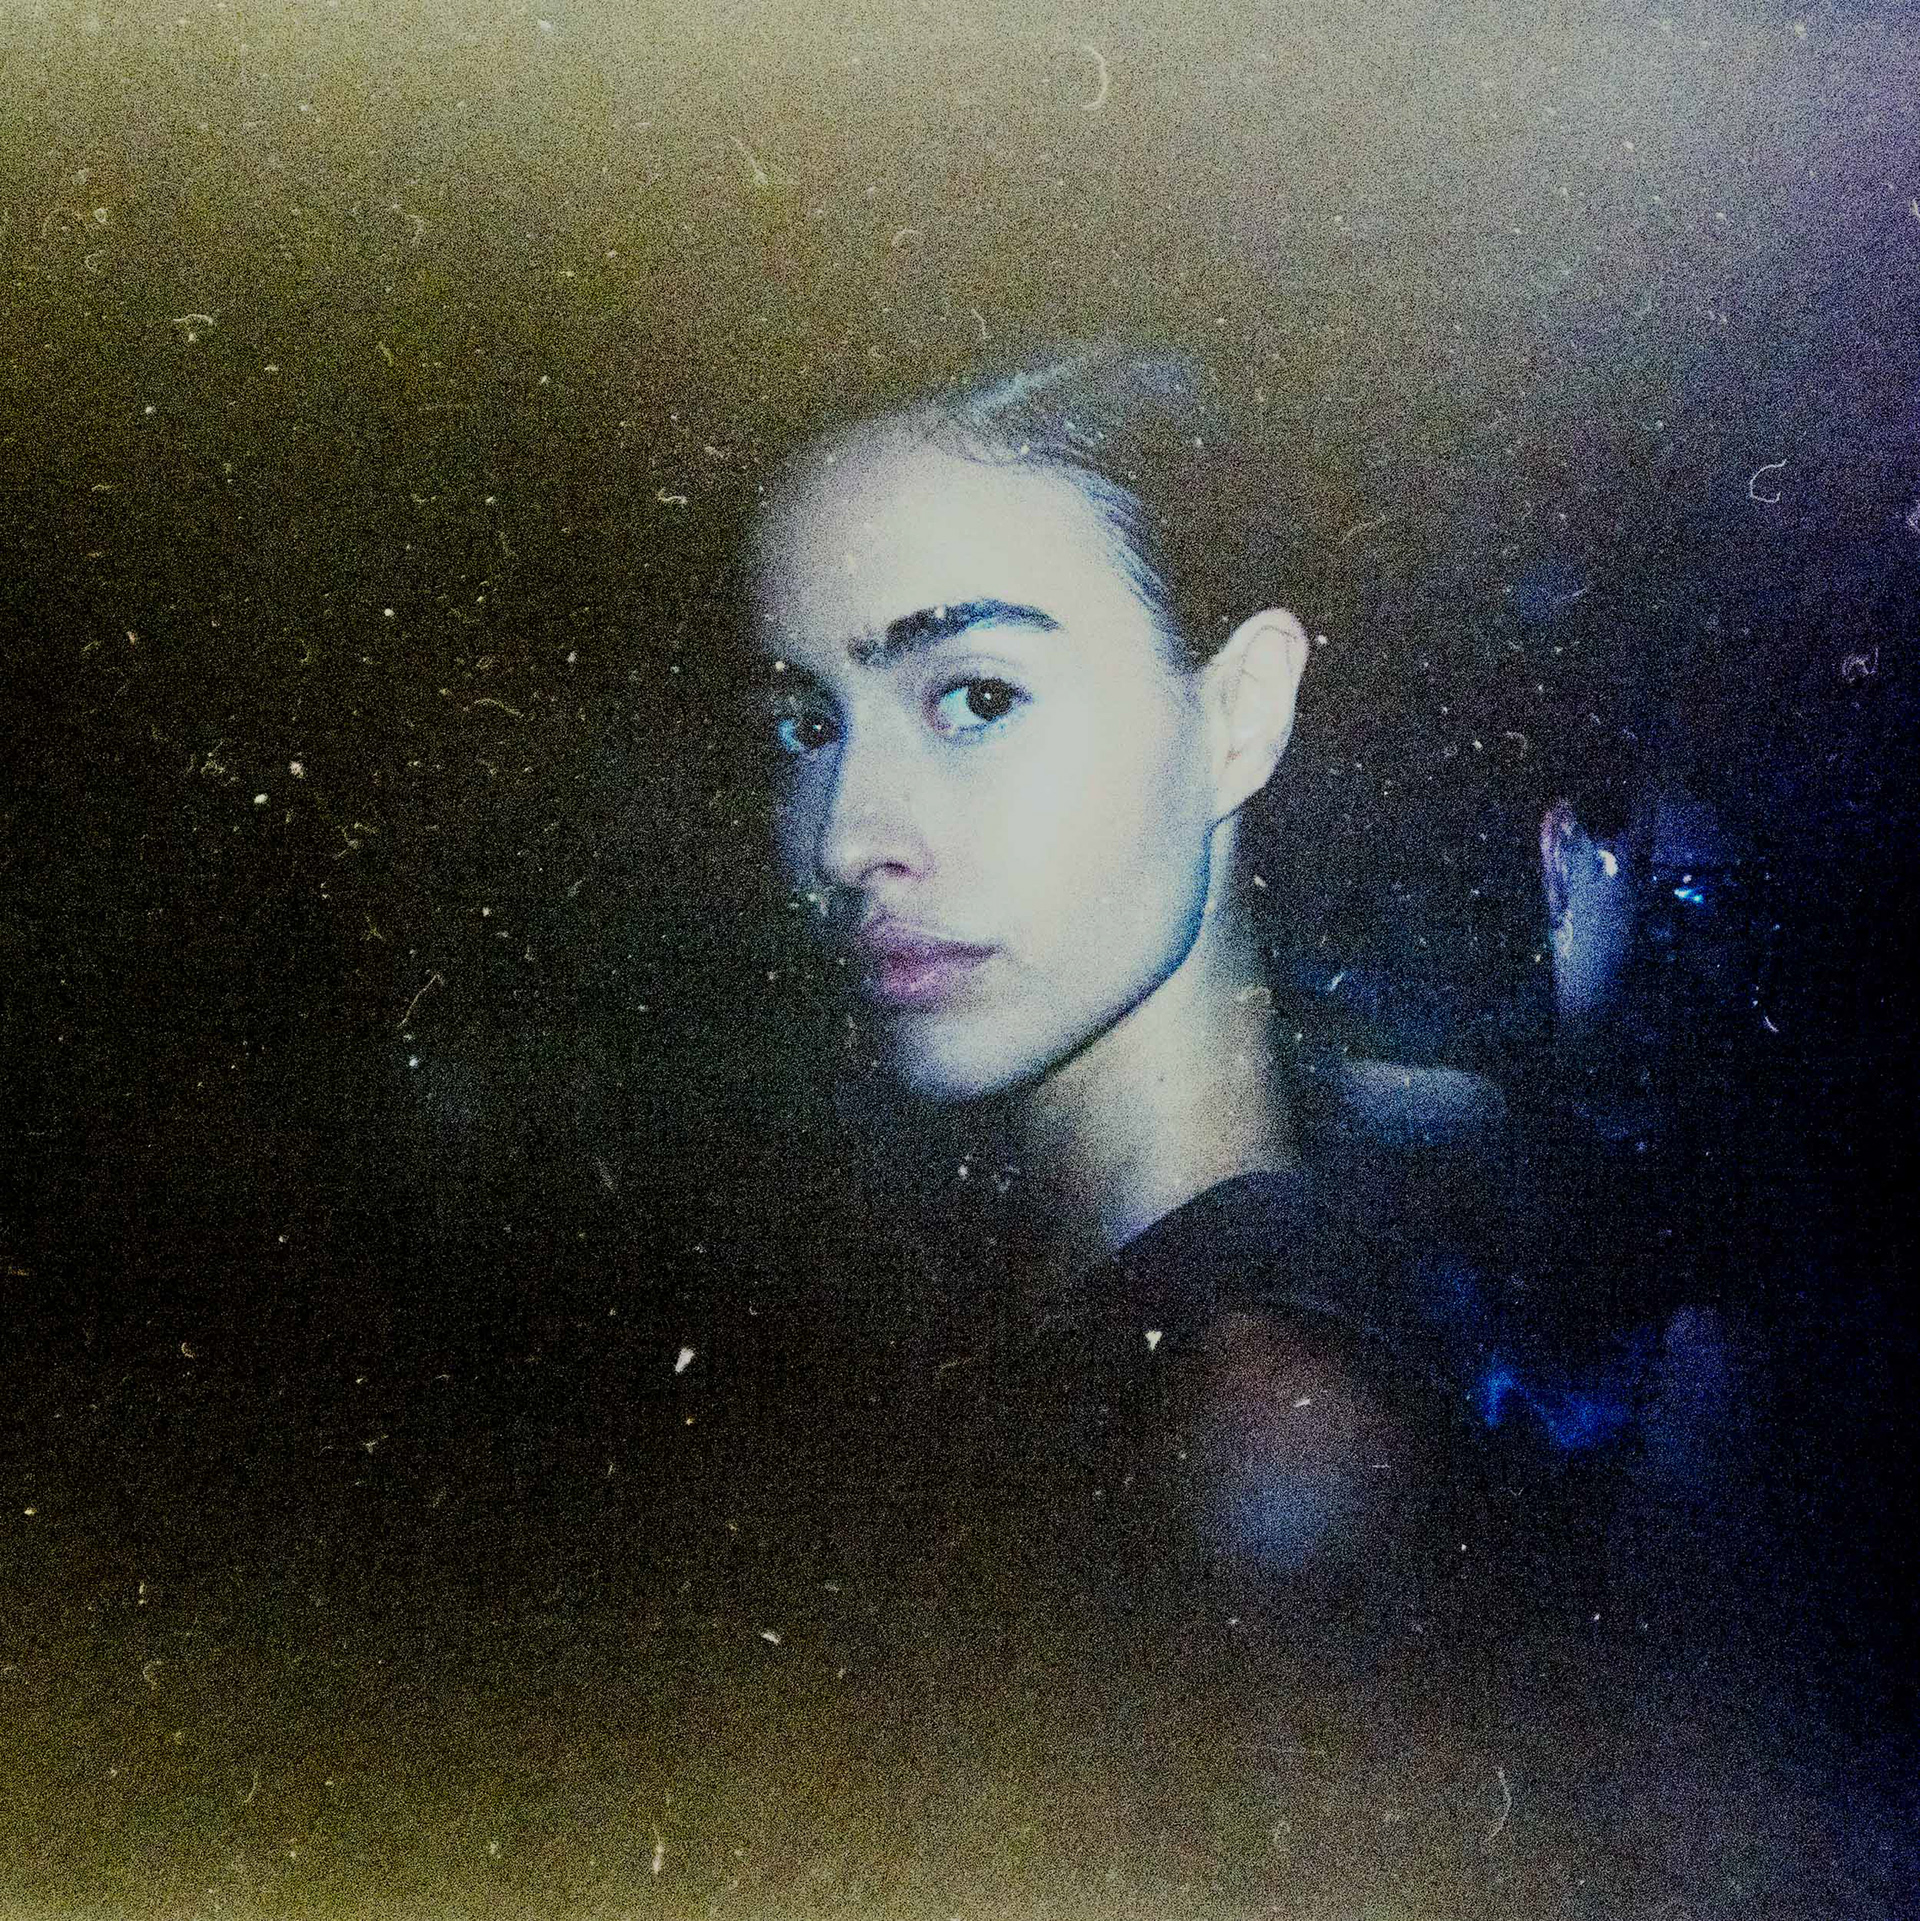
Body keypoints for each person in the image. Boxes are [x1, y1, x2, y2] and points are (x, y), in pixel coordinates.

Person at [735, 341, 1706, 1660]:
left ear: (1238, 717)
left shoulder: (1254, 1453)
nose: (846, 837)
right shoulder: (1089, 1278)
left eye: (975, 697)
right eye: (806, 723)